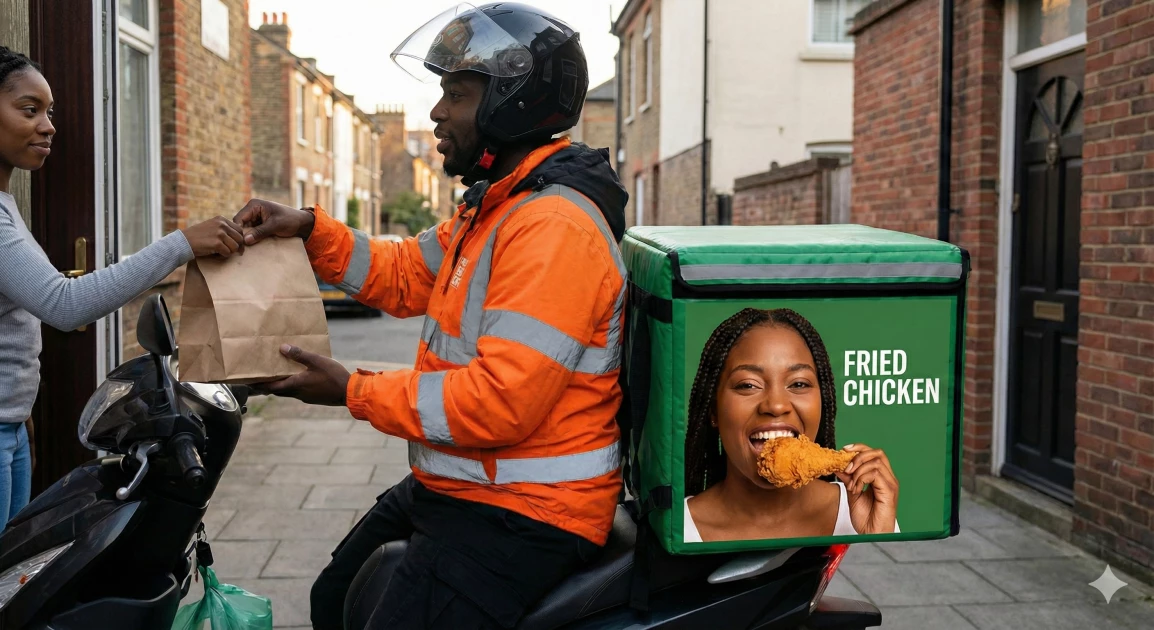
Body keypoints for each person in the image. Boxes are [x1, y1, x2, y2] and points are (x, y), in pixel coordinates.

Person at [233, 4, 628, 628]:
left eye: (457, 95)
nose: (438, 113)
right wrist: (310, 230)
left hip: (528, 512)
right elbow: (400, 274)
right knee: (334, 600)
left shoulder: (552, 227)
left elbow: (499, 403)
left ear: (512, 103)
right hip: (465, 488)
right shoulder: (497, 207)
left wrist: (351, 391)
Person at [0, 46, 245, 524]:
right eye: (29, 110)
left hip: (10, 425)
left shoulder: (6, 203)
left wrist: (17, 406)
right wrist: (181, 244)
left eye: (49, 112)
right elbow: (63, 303)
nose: (48, 126)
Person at [683, 308, 900, 543]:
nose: (776, 405)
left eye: (798, 383)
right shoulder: (679, 530)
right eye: (748, 385)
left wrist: (878, 537)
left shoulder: (862, 513)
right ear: (714, 410)